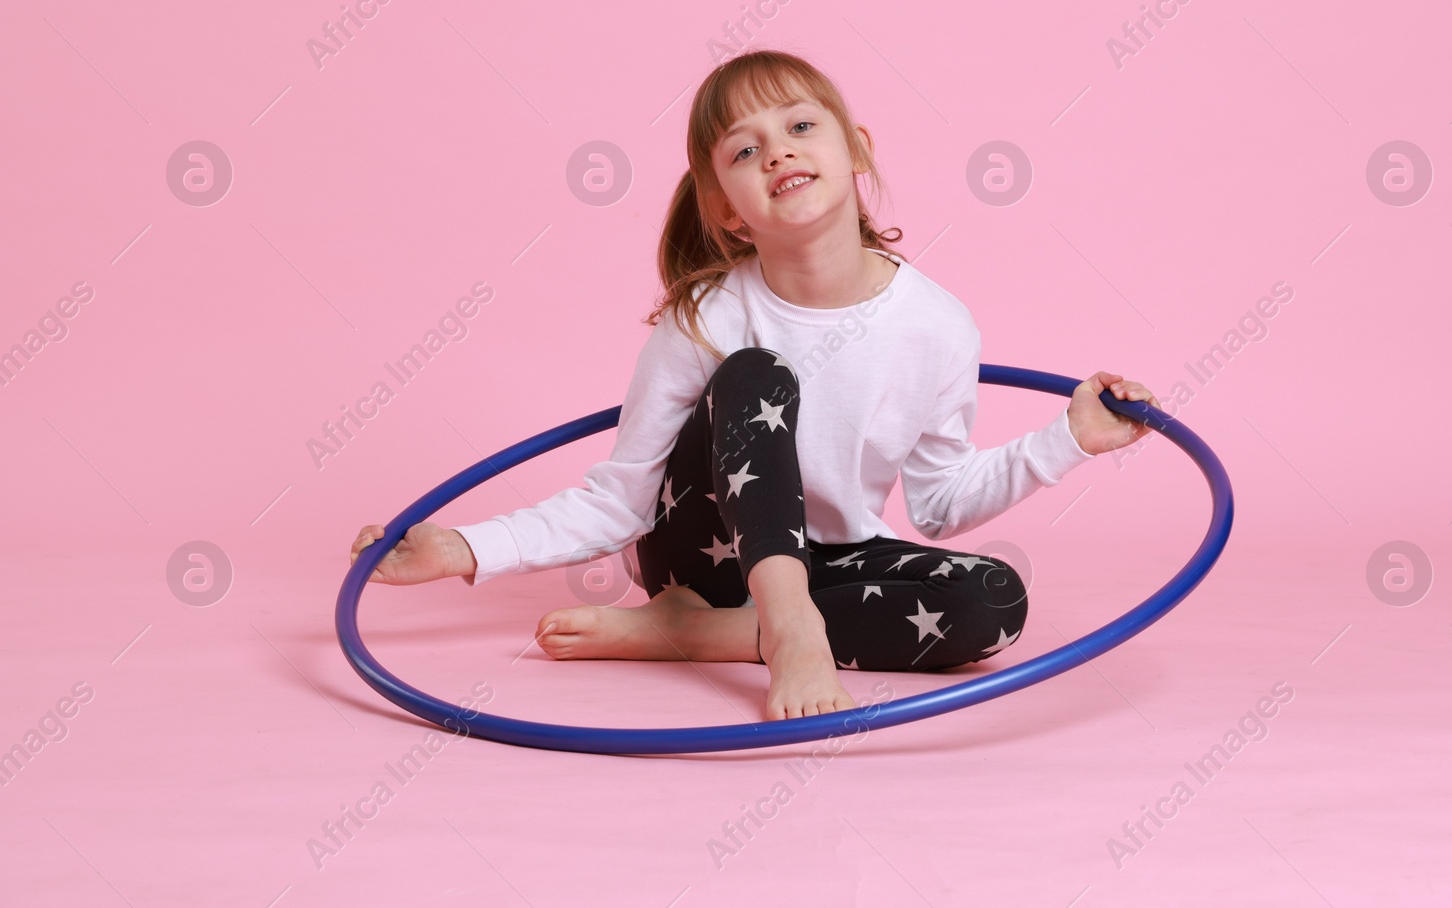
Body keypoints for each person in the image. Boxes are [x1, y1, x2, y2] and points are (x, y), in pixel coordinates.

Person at [349, 49, 1157, 722]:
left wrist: (1072, 438)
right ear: (725, 209)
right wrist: (459, 548)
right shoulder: (709, 315)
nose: (778, 151)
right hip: (703, 557)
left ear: (857, 150)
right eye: (744, 149)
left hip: (827, 558)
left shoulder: (939, 324)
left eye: (801, 126)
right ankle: (785, 629)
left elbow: (943, 504)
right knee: (756, 374)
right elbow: (618, 501)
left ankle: (697, 637)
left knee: (994, 600)